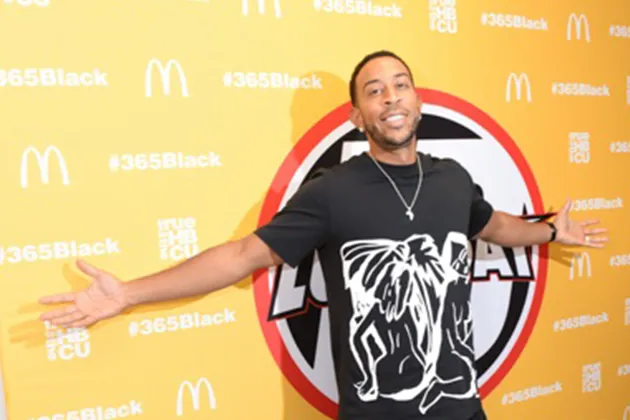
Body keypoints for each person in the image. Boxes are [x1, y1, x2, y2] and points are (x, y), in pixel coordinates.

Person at [39, 50, 608, 420]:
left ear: (417, 100)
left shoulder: (452, 179)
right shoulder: (333, 190)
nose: (391, 98)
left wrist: (552, 230)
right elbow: (240, 256)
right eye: (375, 90)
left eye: (400, 85)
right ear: (358, 114)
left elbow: (495, 225)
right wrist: (128, 293)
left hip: (461, 409)